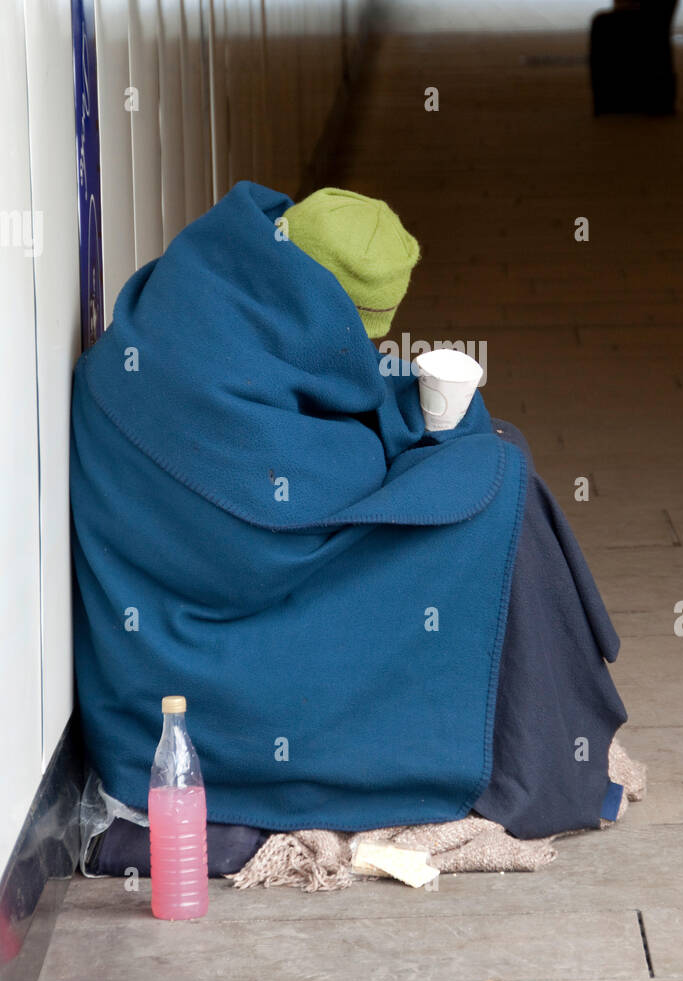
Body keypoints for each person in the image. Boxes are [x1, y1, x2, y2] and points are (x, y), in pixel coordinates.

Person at [76, 185, 642, 879]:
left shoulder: (203, 291)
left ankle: (538, 746)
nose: (372, 350)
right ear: (330, 314)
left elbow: (324, 412)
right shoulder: (236, 392)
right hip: (204, 653)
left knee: (492, 457)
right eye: (365, 333)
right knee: (496, 492)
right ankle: (529, 760)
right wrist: (440, 438)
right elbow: (319, 502)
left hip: (161, 621)